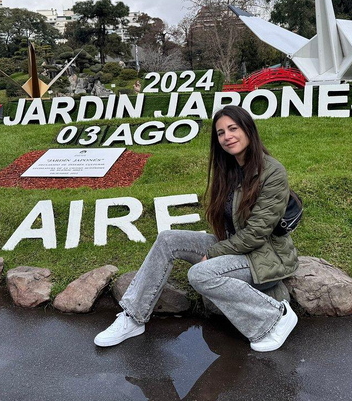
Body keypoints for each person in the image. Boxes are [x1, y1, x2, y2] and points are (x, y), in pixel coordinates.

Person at [95, 105, 299, 352]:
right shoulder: (230, 169)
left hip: (264, 255)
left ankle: (274, 318)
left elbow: (257, 233)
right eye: (221, 133)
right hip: (237, 247)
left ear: (248, 129)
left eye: (233, 129)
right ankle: (133, 318)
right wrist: (217, 248)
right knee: (168, 239)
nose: (227, 137)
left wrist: (213, 254)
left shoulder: (272, 172)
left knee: (200, 274)